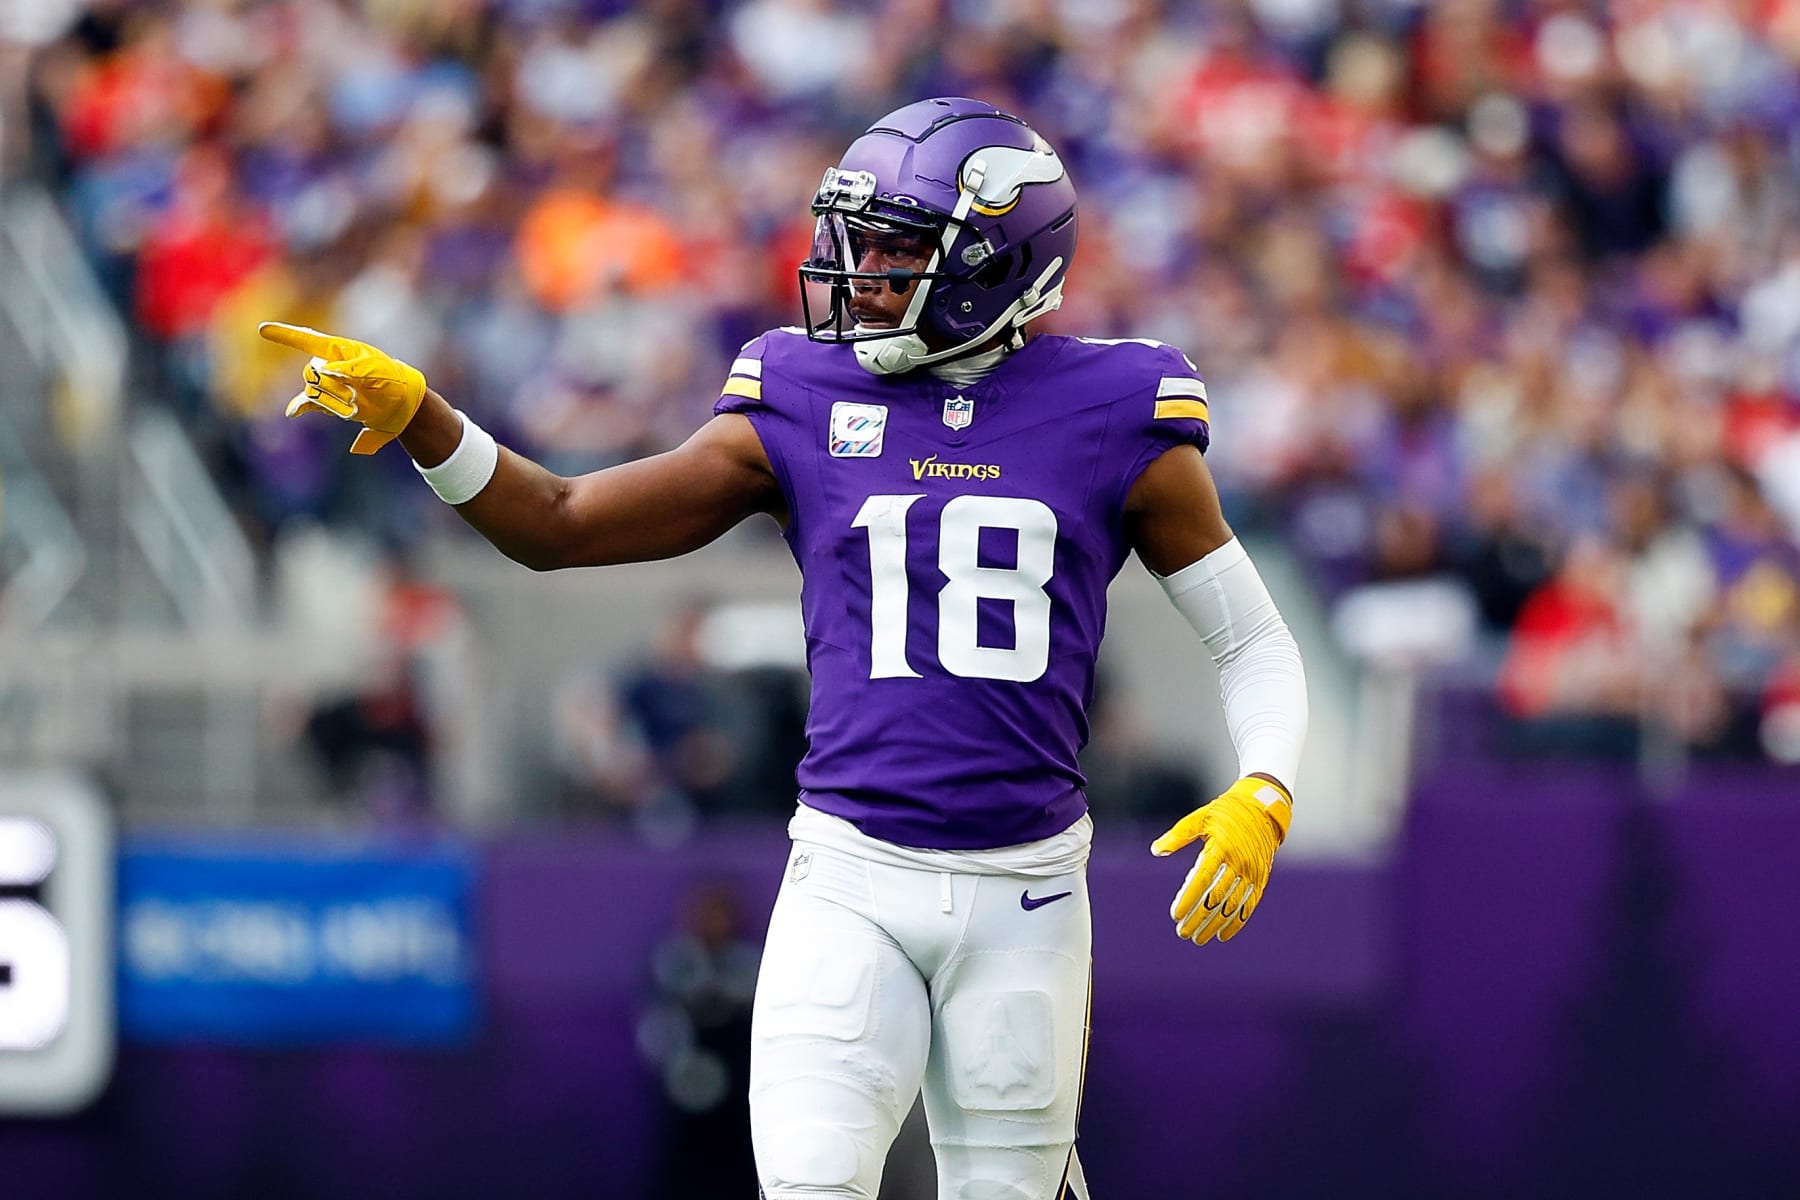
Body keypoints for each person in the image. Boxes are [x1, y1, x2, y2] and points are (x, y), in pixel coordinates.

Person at [258, 97, 1309, 1200]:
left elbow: (1251, 640)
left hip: (1029, 895)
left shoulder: (1116, 407)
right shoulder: (804, 394)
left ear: (997, 261)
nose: (860, 271)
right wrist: (427, 417)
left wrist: (1267, 791)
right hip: (850, 873)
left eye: (900, 248)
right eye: (859, 241)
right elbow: (559, 523)